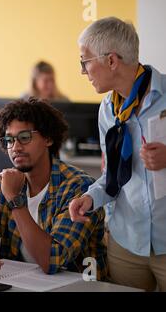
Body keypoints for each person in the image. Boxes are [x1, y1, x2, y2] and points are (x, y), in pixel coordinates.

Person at [0, 99, 107, 280]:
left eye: (24, 137)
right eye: (9, 140)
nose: (15, 147)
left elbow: (52, 260)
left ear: (48, 138)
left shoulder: (78, 187)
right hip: (22, 284)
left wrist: (15, 200)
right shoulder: (6, 183)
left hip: (80, 286)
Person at [69, 17, 166, 291]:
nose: (83, 71)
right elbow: (111, 175)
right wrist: (90, 197)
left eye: (85, 61)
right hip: (126, 243)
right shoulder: (107, 111)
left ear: (111, 60)